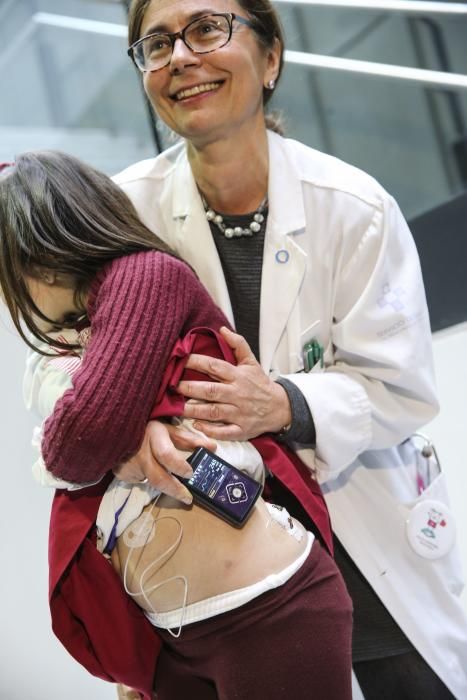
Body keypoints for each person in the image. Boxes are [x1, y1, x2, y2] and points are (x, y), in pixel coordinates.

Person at [99, 0, 465, 698]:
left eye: (206, 29)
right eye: (156, 43)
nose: (180, 57)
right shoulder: (121, 213)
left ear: (270, 59)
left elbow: (400, 387)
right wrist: (129, 428)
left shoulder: (353, 206)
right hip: (212, 567)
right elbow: (68, 365)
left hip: (363, 542)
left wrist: (284, 403)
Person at [0, 152, 353, 700]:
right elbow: (76, 443)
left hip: (268, 614)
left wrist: (121, 432)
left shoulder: (143, 276)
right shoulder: (83, 334)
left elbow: (75, 443)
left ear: (40, 258)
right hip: (181, 638)